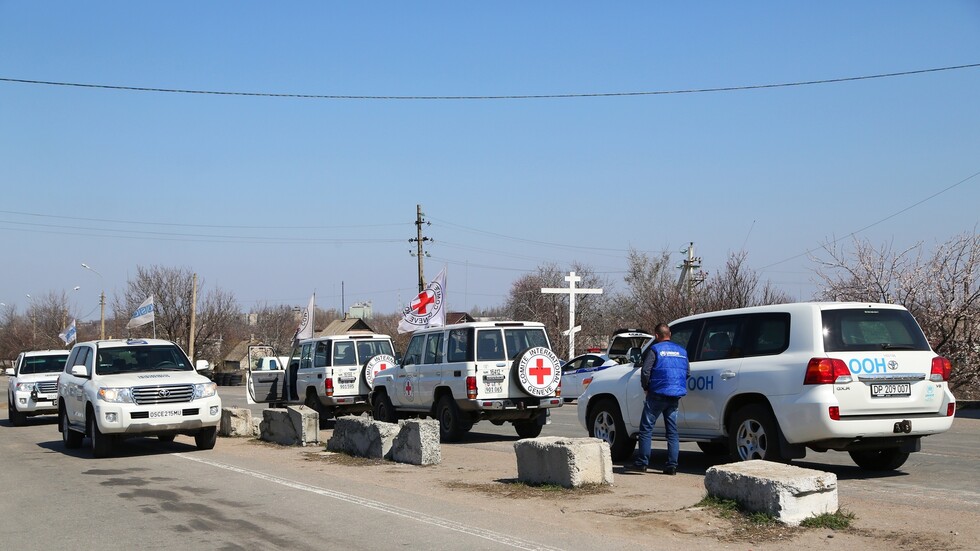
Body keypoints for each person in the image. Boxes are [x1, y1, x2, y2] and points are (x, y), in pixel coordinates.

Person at [628, 323, 690, 475]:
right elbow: (687, 373)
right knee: (672, 432)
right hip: (675, 395)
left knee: (646, 429)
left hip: (656, 394)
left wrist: (646, 387)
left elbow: (646, 371)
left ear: (656, 336)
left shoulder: (655, 349)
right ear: (669, 334)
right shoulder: (682, 351)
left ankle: (642, 463)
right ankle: (672, 466)